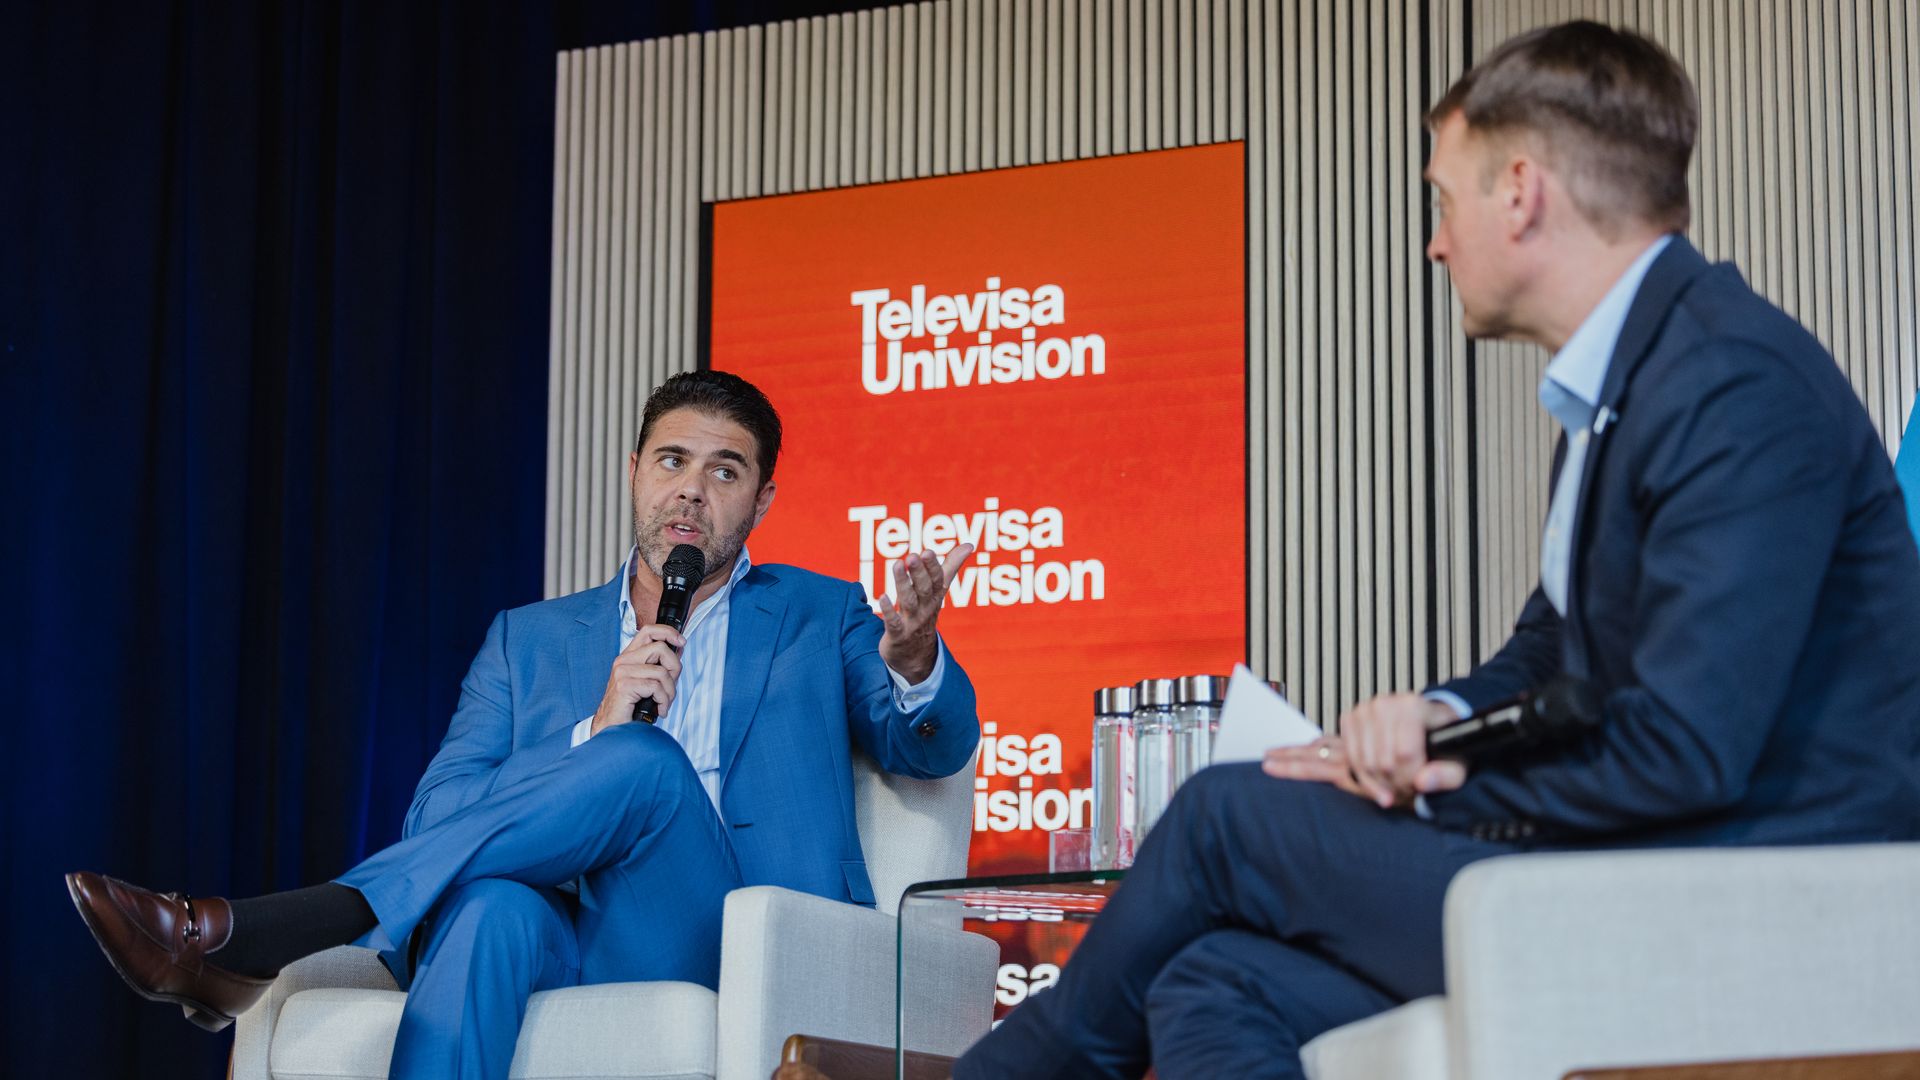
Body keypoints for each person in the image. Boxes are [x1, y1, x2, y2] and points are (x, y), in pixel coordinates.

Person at [955, 20, 1920, 1080]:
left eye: (1444, 198)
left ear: (1521, 190)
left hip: (1747, 908)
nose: (1435, 241)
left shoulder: (1731, 384)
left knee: (1224, 816)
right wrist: (1430, 719)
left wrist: (1425, 785)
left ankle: (1002, 1074)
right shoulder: (1629, 393)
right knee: (1216, 978)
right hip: (1641, 875)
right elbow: (1546, 660)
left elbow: (1687, 748)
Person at [67, 369, 982, 1079]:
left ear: (763, 501)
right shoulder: (529, 640)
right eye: (672, 461)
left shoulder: (822, 616)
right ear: (633, 473)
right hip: (558, 923)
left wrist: (910, 656)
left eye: (725, 470)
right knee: (489, 906)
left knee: (644, 765)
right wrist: (588, 729)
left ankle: (288, 928)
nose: (692, 491)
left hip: (728, 936)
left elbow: (925, 742)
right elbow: (440, 819)